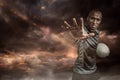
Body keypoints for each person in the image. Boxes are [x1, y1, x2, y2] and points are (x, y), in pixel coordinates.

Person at [64, 9, 102, 80]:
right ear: (87, 18)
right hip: (80, 73)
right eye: (92, 18)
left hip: (93, 70)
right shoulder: (82, 31)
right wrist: (75, 37)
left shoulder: (97, 32)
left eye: (98, 20)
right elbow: (75, 39)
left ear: (100, 21)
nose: (94, 22)